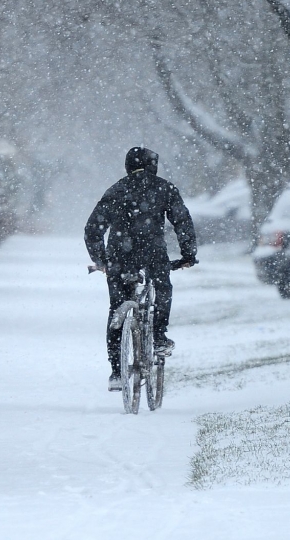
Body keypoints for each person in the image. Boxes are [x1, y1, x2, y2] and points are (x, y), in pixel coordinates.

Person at [85, 146, 198, 391]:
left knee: (116, 309)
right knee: (161, 290)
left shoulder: (116, 190)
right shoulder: (164, 188)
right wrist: (188, 254)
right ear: (153, 165)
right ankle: (158, 336)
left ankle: (116, 372)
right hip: (152, 254)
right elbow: (182, 222)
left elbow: (93, 229)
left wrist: (101, 260)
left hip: (119, 257)